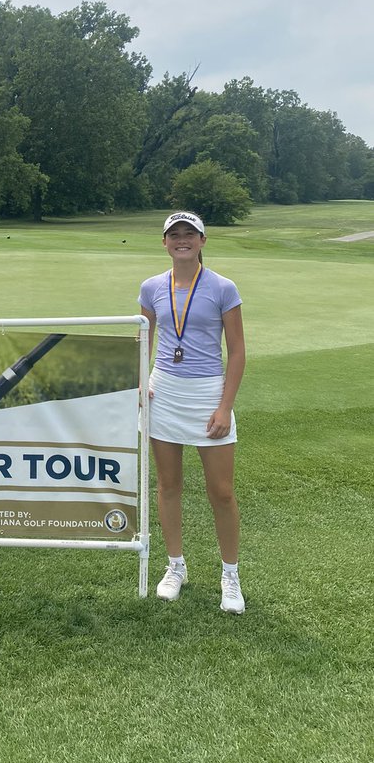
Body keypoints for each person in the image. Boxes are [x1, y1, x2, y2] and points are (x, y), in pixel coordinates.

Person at [138, 211, 247, 614]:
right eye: (174, 234)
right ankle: (176, 567)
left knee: (221, 492)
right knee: (168, 486)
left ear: (202, 241)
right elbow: (143, 341)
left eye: (189, 234)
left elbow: (236, 351)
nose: (181, 240)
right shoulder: (151, 287)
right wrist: (139, 383)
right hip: (164, 392)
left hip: (207, 395)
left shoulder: (222, 287)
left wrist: (224, 406)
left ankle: (230, 574)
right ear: (165, 242)